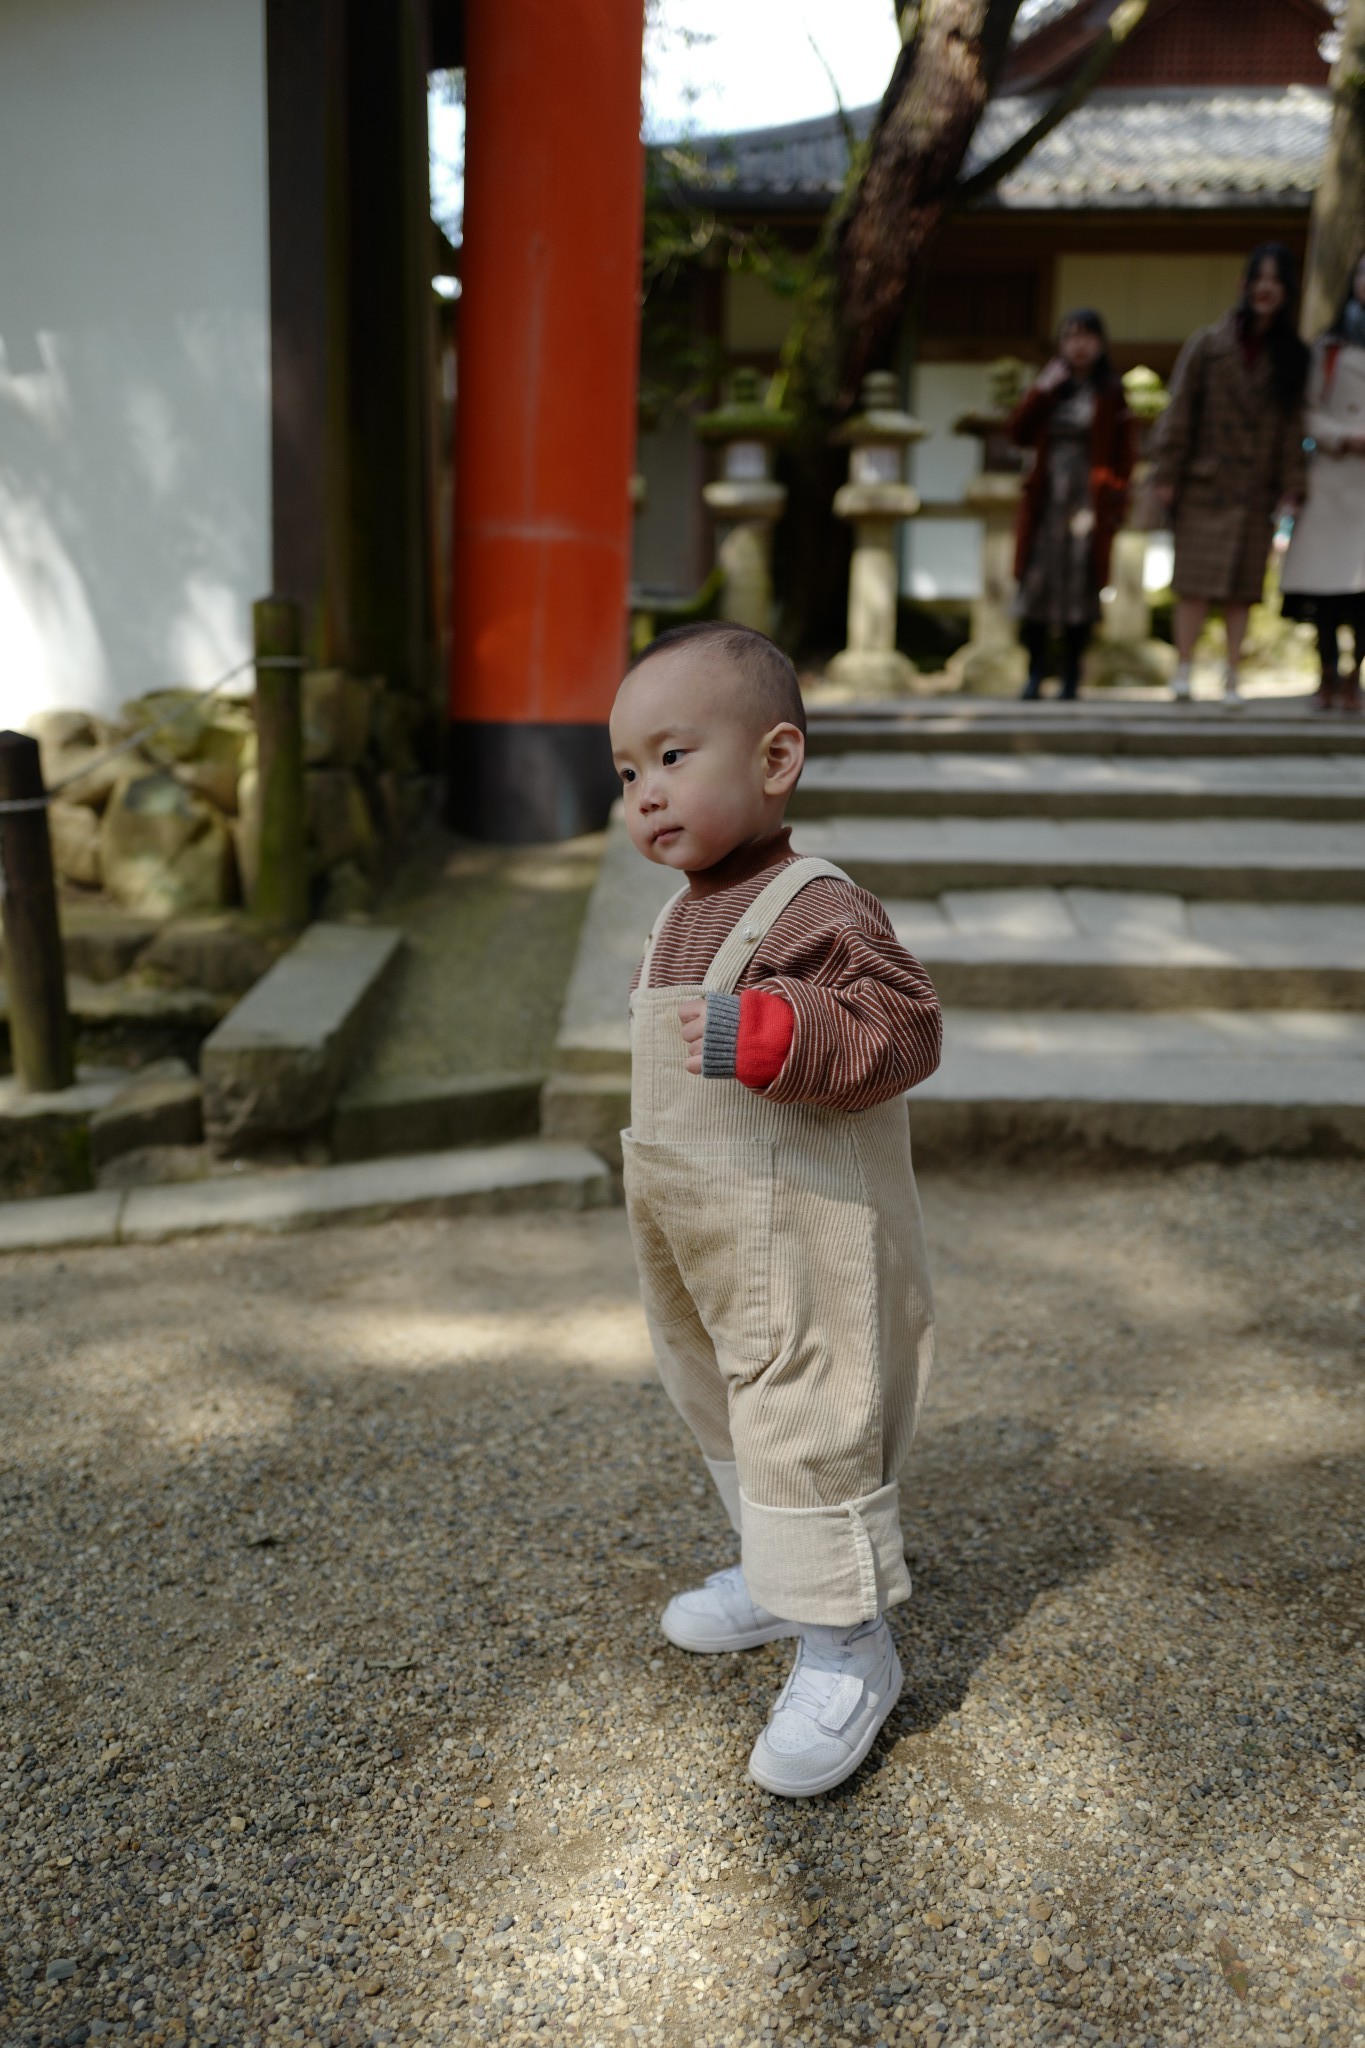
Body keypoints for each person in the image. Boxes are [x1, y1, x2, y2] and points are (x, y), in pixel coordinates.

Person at [609, 619, 941, 1799]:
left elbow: (906, 1026)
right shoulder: (679, 909)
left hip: (796, 1222)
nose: (646, 792)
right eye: (627, 773)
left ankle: (848, 1638)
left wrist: (776, 1031)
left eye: (671, 755)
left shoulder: (816, 903)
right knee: (712, 1384)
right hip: (693, 1216)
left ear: (776, 759)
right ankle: (777, 1559)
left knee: (808, 1400)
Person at [1151, 243, 1310, 705]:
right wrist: (1167, 470)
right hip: (1205, 482)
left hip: (1254, 487)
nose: (1265, 288)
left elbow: (1291, 430)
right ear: (1244, 285)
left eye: (1275, 280)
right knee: (1193, 584)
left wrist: (1291, 488)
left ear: (1286, 291)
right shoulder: (1207, 344)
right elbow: (1179, 411)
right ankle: (1183, 669)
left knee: (1243, 590)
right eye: (1258, 278)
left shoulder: (1293, 356)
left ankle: (1232, 674)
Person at [1008, 307, 1136, 701]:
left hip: (1087, 503)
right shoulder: (1049, 389)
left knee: (1080, 589)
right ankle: (1034, 673)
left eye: (1087, 336)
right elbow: (1016, 433)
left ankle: (1070, 676)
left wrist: (1116, 497)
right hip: (1046, 503)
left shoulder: (1111, 392)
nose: (1079, 345)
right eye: (1071, 336)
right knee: (1037, 588)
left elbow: (1124, 453)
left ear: (1100, 343)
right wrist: (1041, 389)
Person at [1280, 250, 1365, 713]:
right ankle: (1327, 672)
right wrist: (1343, 436)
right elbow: (1306, 410)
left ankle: (1355, 677)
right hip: (1334, 479)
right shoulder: (1328, 349)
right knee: (1329, 591)